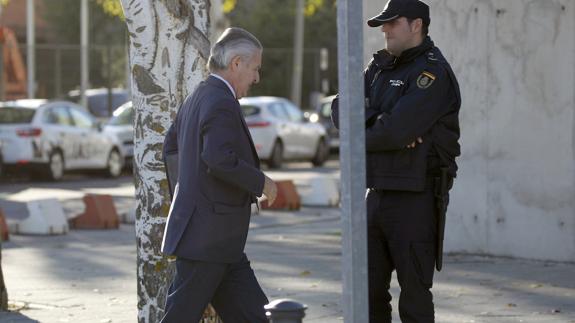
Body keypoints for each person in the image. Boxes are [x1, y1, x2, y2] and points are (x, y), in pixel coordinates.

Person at [331, 0, 461, 322]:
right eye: (383, 24)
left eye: (392, 22)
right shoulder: (379, 67)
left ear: (416, 25)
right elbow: (339, 110)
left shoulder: (433, 73)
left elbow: (395, 130)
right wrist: (382, 123)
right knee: (368, 294)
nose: (385, 30)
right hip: (375, 193)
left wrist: (380, 127)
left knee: (414, 300)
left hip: (414, 199)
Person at [160, 27, 278, 323]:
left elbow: (171, 149)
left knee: (257, 317)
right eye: (255, 69)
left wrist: (189, 197)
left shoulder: (198, 96)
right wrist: (262, 182)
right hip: (208, 242)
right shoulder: (221, 101)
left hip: (218, 240)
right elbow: (218, 158)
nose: (256, 78)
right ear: (236, 63)